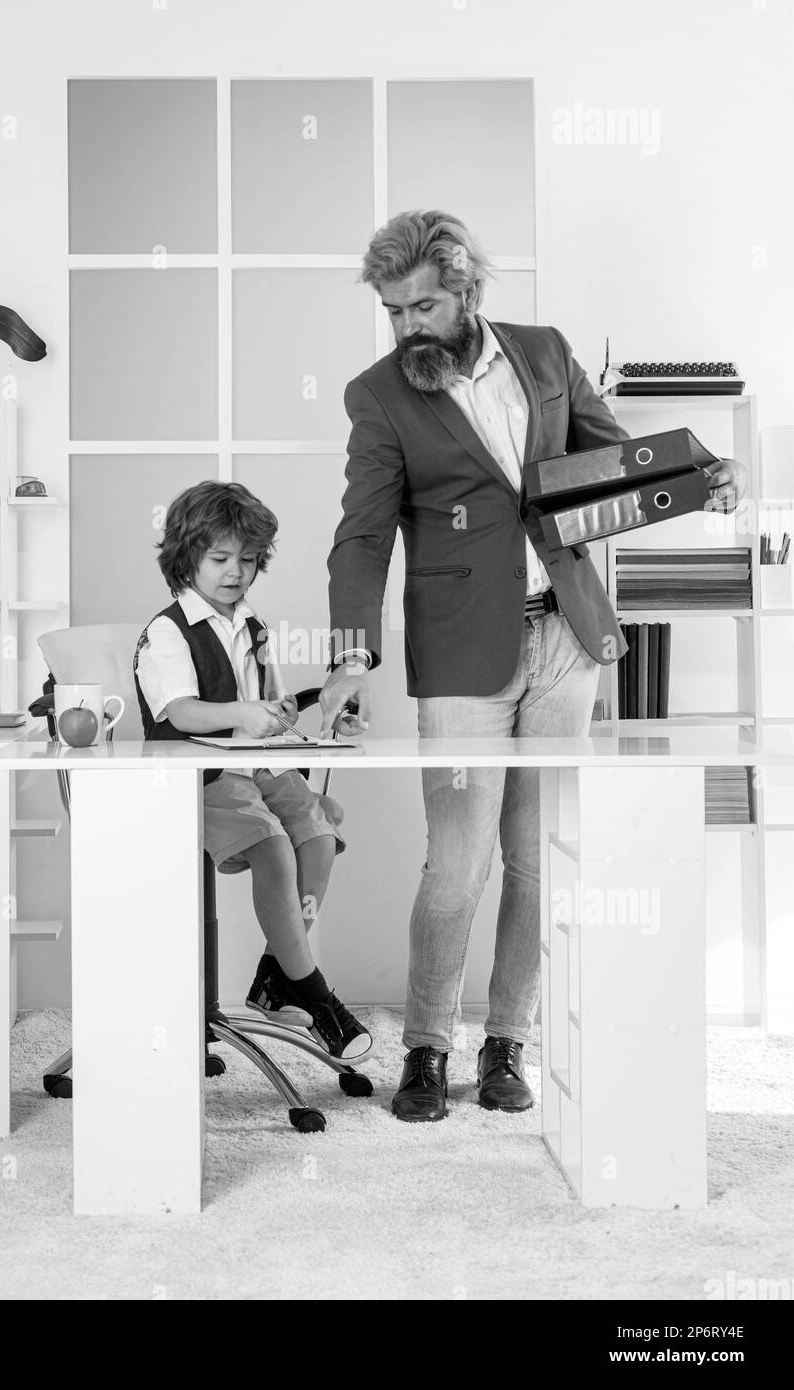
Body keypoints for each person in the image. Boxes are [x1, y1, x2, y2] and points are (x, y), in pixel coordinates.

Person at [319, 209, 746, 1119]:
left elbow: (613, 466)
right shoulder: (378, 395)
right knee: (456, 865)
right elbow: (360, 537)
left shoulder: (547, 355)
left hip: (567, 638)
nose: (407, 329)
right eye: (393, 312)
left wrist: (703, 478)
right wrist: (350, 655)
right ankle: (428, 1050)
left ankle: (508, 1042)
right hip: (463, 656)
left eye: (423, 308)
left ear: (466, 293)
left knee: (538, 859)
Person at [134, 479, 372, 1062]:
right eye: (219, 558)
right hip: (202, 774)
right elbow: (180, 710)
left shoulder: (254, 626)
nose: (234, 571)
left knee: (317, 835)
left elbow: (276, 704)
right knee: (274, 848)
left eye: (246, 559)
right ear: (185, 556)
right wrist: (243, 712)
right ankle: (314, 994)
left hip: (258, 768)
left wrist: (319, 712)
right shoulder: (167, 632)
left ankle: (275, 974)